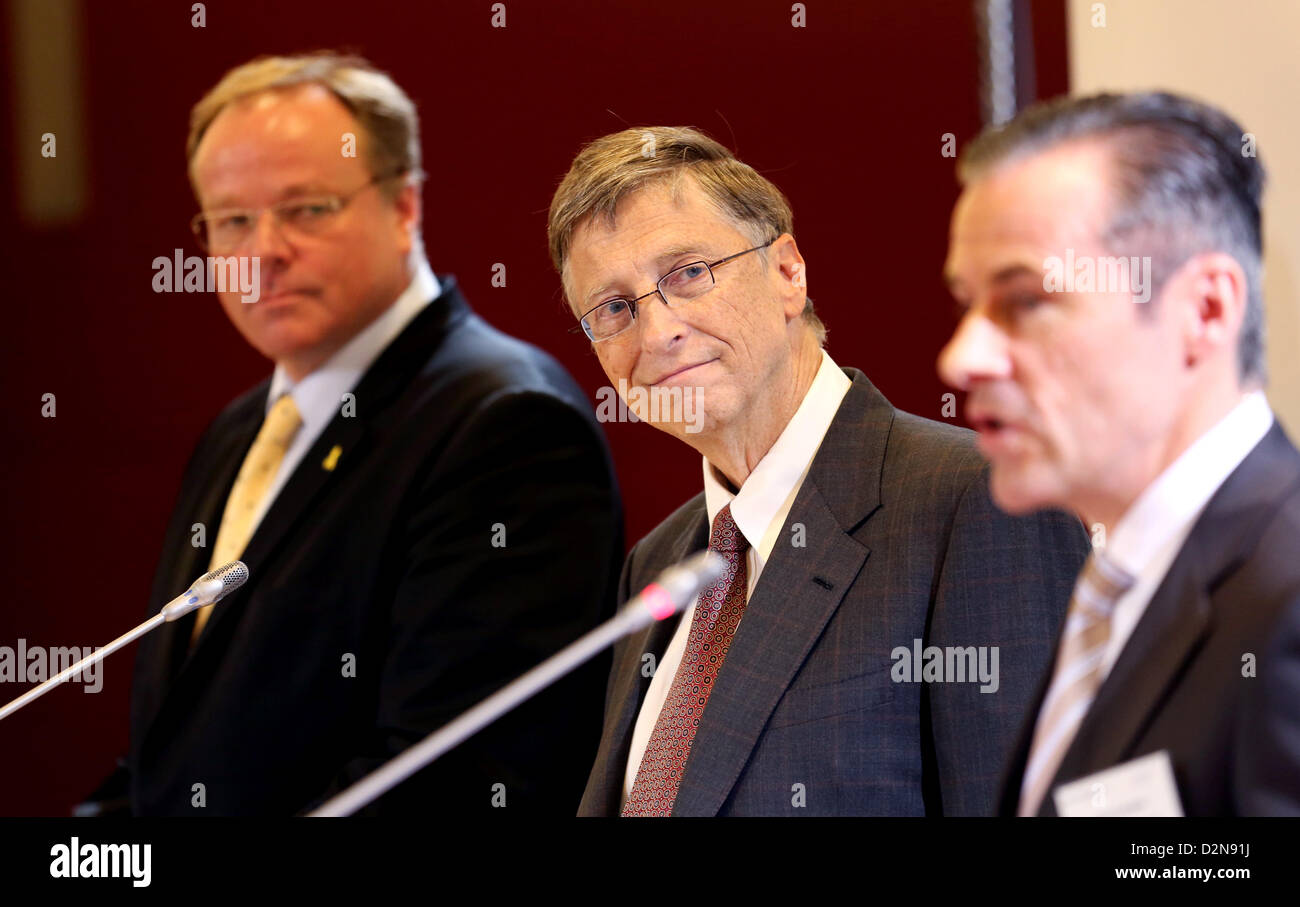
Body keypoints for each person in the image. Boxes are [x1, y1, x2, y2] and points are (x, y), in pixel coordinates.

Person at [81, 53, 623, 815]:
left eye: (305, 209)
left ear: (405, 207)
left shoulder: (505, 422)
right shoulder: (239, 431)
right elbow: (179, 758)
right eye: (233, 220)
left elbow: (450, 783)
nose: (262, 252)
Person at [548, 126, 1090, 816]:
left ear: (787, 273)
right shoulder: (655, 566)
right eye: (614, 308)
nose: (657, 333)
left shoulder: (980, 500)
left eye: (687, 273)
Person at [939, 91, 1300, 816]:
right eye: (966, 305)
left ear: (1204, 310)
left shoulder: (1286, 600)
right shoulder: (1120, 586)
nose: (960, 358)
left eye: (1026, 300)